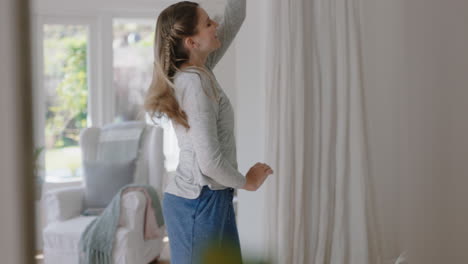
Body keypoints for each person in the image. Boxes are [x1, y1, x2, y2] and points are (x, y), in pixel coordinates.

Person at [144, 1, 273, 263]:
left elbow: (236, 15)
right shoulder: (193, 83)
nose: (216, 25)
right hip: (198, 202)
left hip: (212, 198)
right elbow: (209, 162)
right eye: (207, 23)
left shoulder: (200, 68)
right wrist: (247, 181)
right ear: (192, 42)